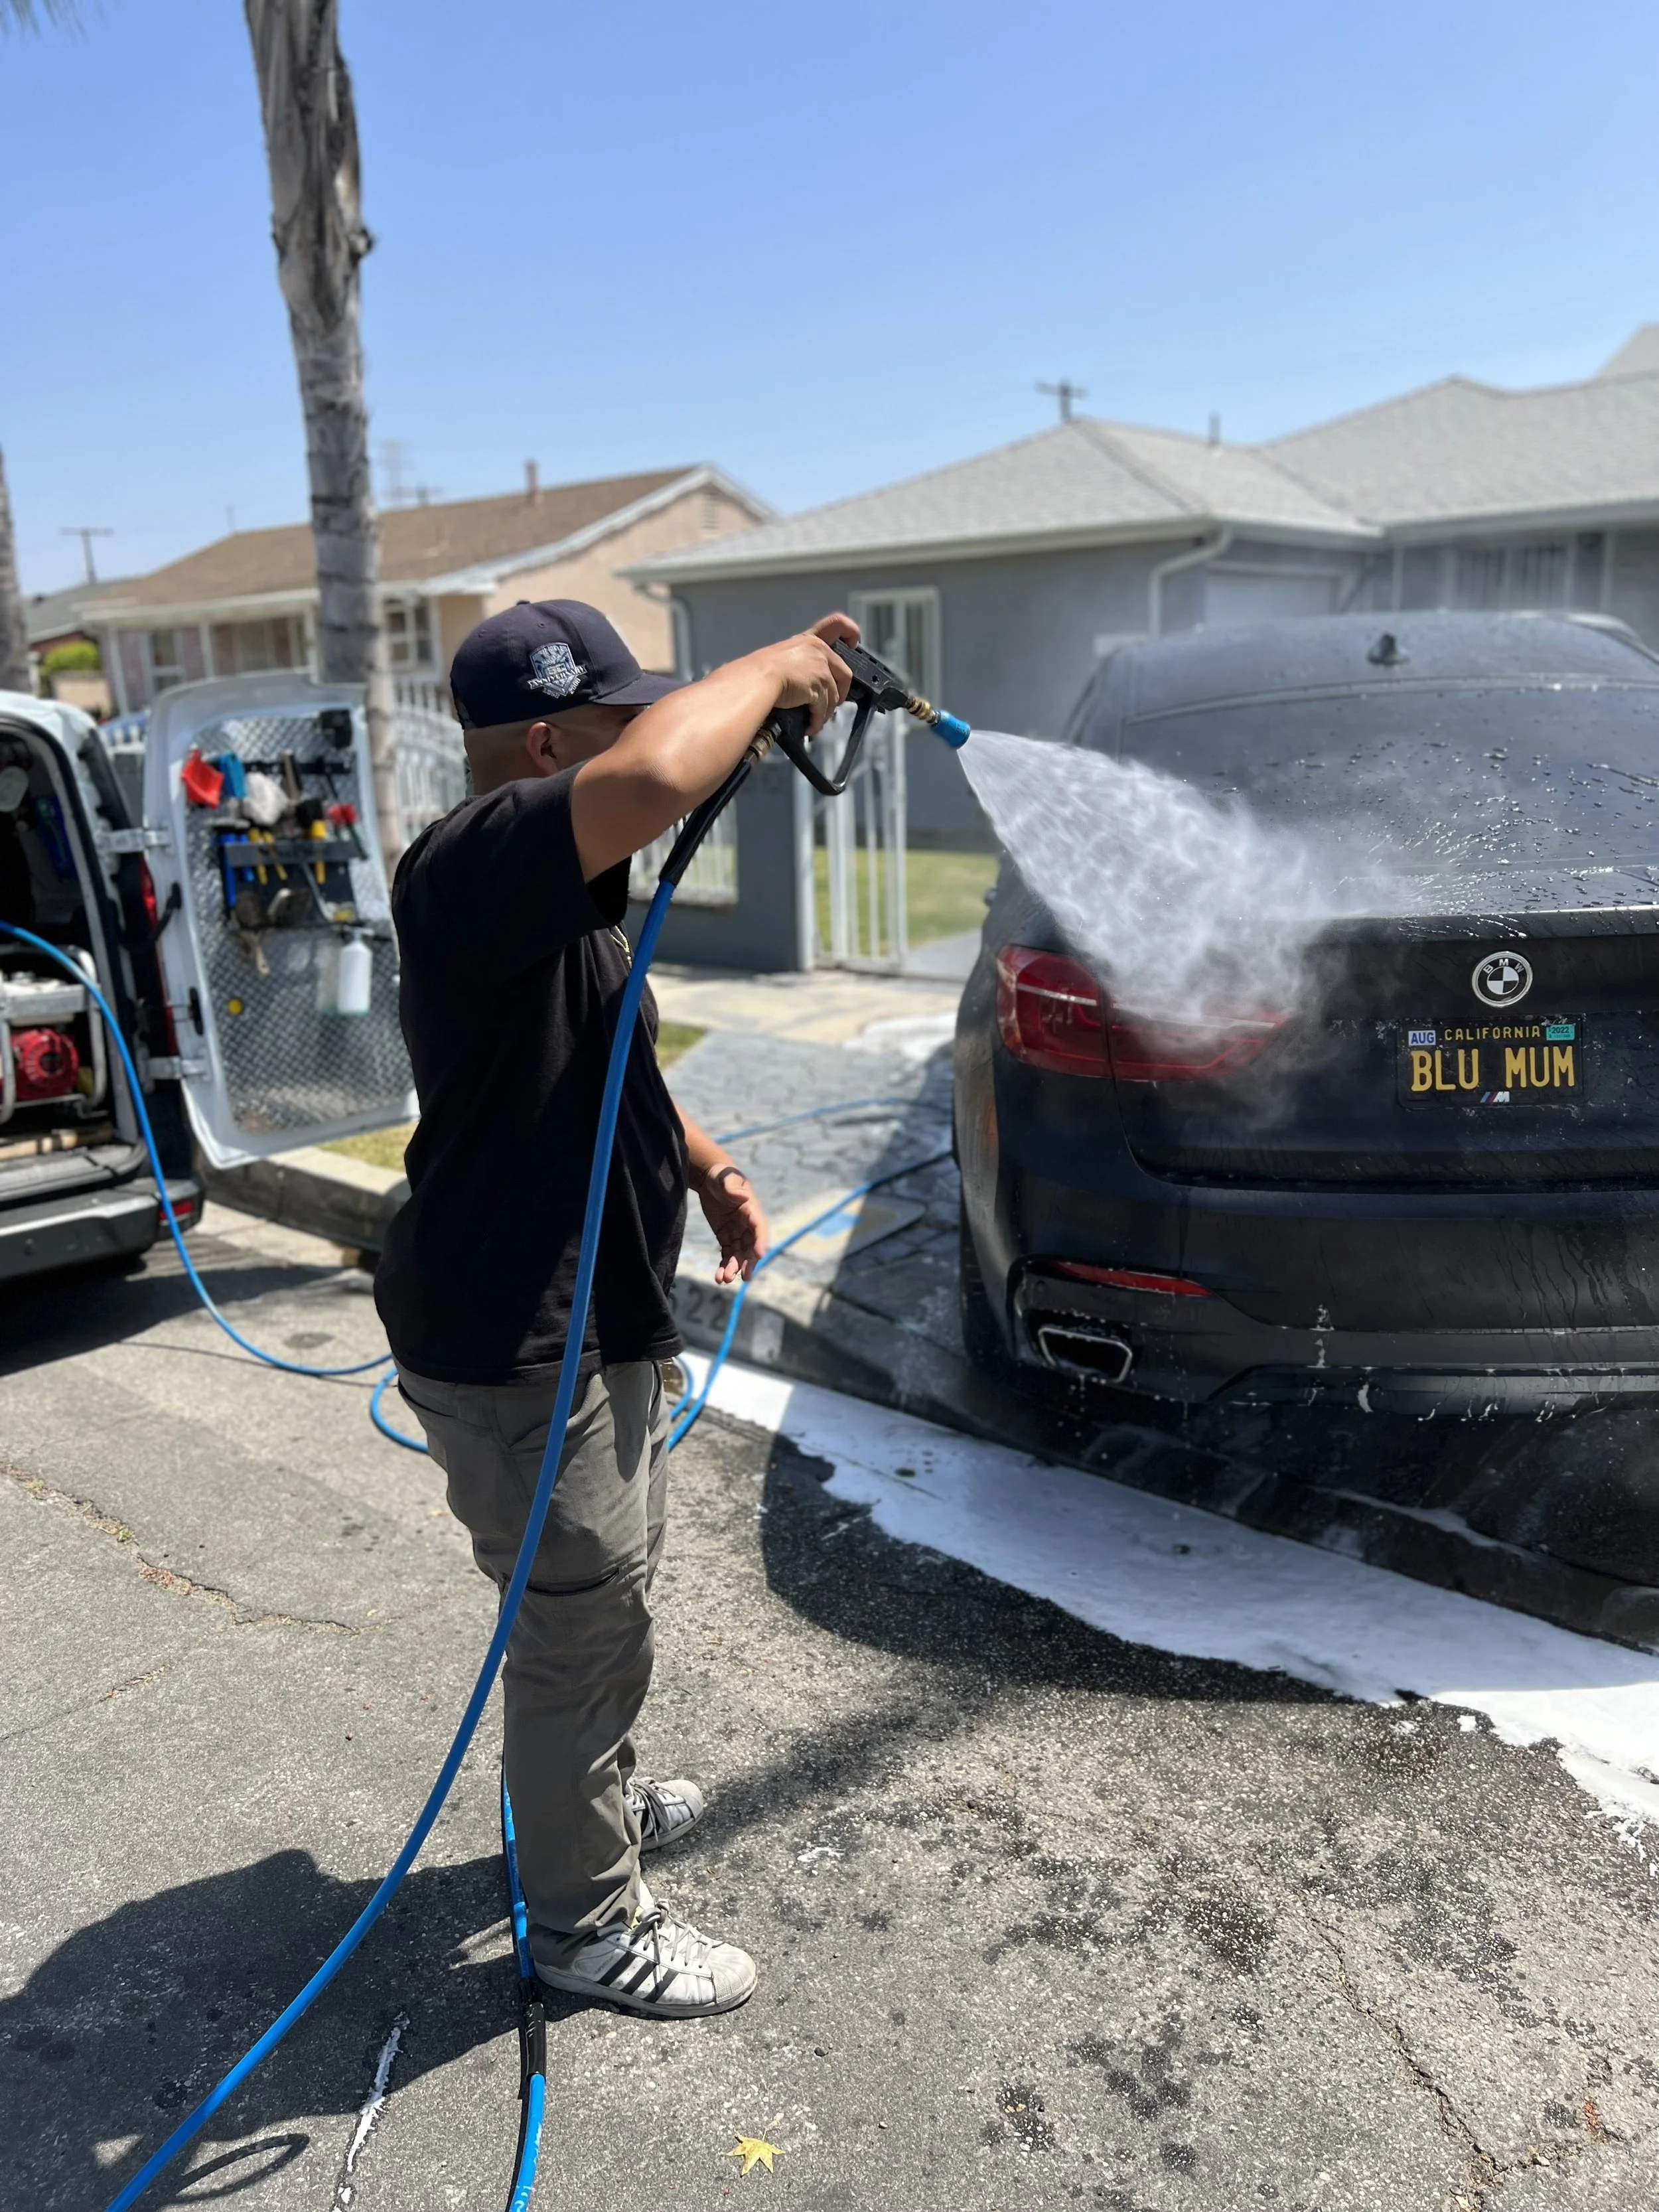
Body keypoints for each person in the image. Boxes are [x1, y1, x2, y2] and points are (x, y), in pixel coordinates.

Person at [376, 598, 857, 2018]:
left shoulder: (558, 909)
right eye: (614, 713)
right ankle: (584, 1929)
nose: (651, 735)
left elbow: (606, 1055)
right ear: (541, 740)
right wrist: (766, 668)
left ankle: (592, 1802)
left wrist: (701, 1161)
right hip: (519, 1341)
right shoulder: (466, 864)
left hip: (596, 1317)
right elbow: (655, 776)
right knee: (577, 1627)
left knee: (604, 1608)